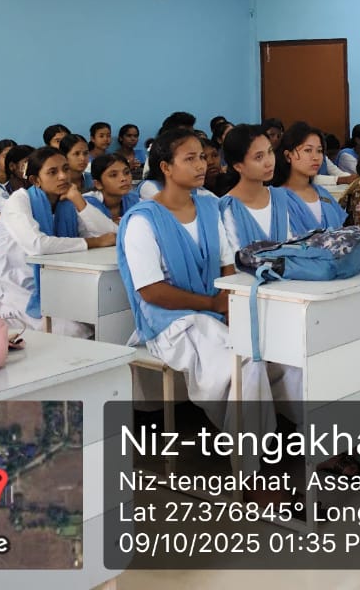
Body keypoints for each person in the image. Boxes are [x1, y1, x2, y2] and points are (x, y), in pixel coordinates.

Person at [117, 128, 301, 433]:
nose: (201, 165)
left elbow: (227, 266)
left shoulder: (208, 208)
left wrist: (229, 305)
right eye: (190, 159)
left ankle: (312, 436)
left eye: (202, 157)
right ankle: (248, 455)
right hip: (171, 322)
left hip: (214, 311)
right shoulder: (142, 220)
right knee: (245, 360)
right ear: (166, 167)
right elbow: (151, 291)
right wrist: (213, 304)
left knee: (287, 352)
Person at [0, 145, 116, 336]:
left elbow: (112, 234)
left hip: (60, 284)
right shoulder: (19, 200)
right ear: (35, 180)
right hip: (19, 292)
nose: (63, 176)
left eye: (65, 169)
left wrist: (78, 199)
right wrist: (93, 243)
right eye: (52, 172)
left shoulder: (65, 202)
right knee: (76, 330)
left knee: (105, 317)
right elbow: (37, 245)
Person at [219, 125, 293, 256]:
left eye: (270, 152)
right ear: (238, 166)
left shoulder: (281, 196)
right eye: (259, 157)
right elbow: (233, 259)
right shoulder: (227, 207)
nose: (269, 162)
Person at [274, 122, 346, 233]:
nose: (315, 157)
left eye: (319, 151)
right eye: (308, 150)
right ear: (288, 156)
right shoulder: (277, 199)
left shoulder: (323, 194)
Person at [84, 152, 141, 223]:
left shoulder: (134, 200)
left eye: (126, 172)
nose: (123, 178)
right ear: (98, 184)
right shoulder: (86, 205)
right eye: (114, 175)